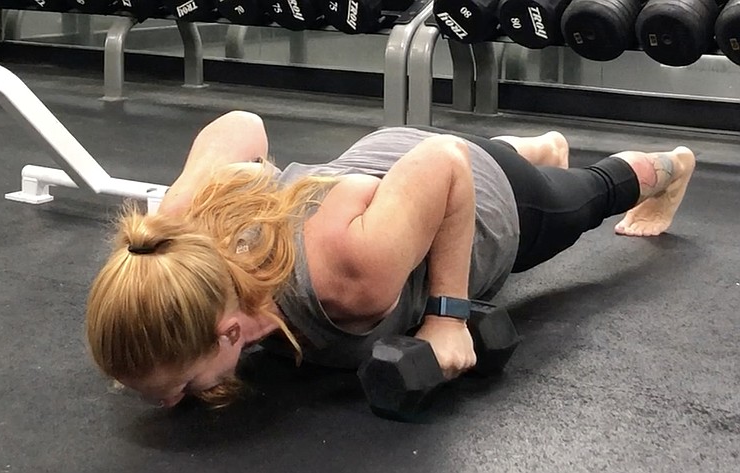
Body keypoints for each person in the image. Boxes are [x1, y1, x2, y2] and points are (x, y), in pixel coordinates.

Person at [85, 110, 696, 409]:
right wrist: (184, 199)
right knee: (472, 165)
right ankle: (538, 146)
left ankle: (669, 167)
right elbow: (240, 126)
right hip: (383, 166)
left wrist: (448, 315)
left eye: (182, 386)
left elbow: (445, 165)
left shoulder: (350, 282)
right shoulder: (191, 246)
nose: (171, 403)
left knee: (585, 197)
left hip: (479, 196)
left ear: (229, 331)